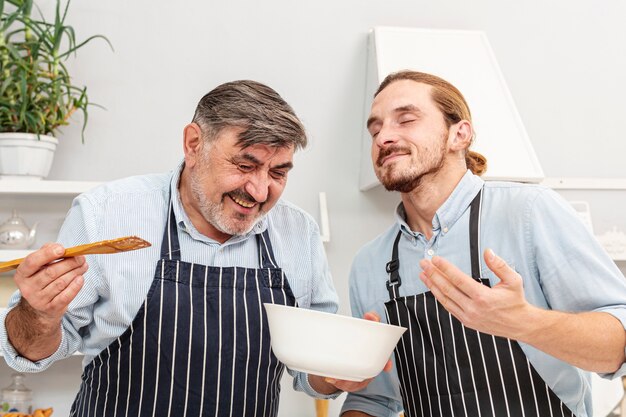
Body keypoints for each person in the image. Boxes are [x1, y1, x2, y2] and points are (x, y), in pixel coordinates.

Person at [0, 80, 344, 417]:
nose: (258, 190)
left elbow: (314, 370)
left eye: (278, 173)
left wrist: (339, 373)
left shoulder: (299, 233)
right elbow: (31, 351)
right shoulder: (106, 213)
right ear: (193, 144)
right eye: (245, 165)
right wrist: (37, 314)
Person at [341, 70, 626, 417]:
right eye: (375, 129)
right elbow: (374, 399)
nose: (384, 136)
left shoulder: (529, 211)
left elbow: (619, 345)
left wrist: (524, 322)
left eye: (406, 119)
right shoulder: (369, 263)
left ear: (459, 134)